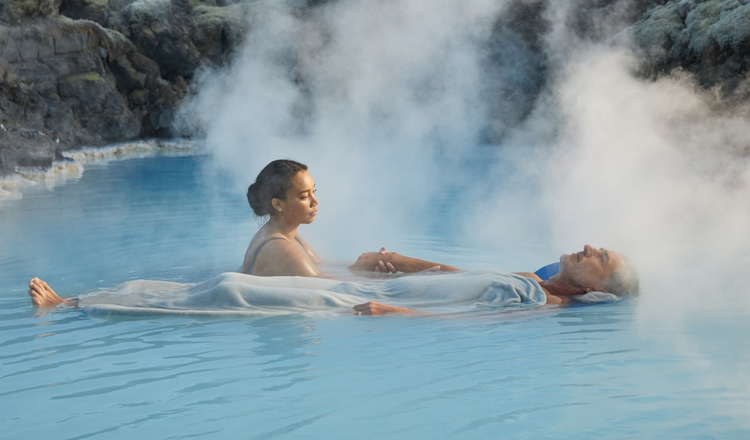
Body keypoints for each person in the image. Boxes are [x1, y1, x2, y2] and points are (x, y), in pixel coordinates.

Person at [27, 159, 639, 314]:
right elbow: (462, 279)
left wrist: (398, 302)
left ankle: (76, 302)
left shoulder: (550, 299)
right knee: (204, 292)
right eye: (306, 194)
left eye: (599, 255)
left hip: (333, 300)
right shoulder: (538, 281)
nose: (588, 246)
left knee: (207, 291)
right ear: (277, 203)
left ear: (598, 284)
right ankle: (77, 302)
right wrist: (395, 261)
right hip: (309, 291)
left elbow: (475, 309)